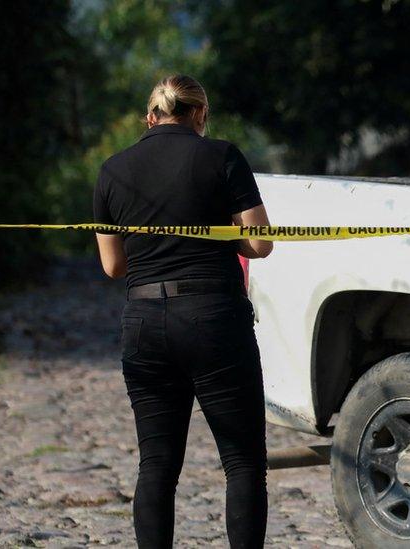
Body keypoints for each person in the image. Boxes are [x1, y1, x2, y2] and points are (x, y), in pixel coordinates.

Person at [93, 74, 272, 548]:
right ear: (200, 115)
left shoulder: (112, 169)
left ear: (149, 118)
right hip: (214, 317)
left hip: (146, 322)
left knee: (156, 465)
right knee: (243, 462)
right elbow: (260, 242)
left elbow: (113, 265)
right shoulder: (222, 155)